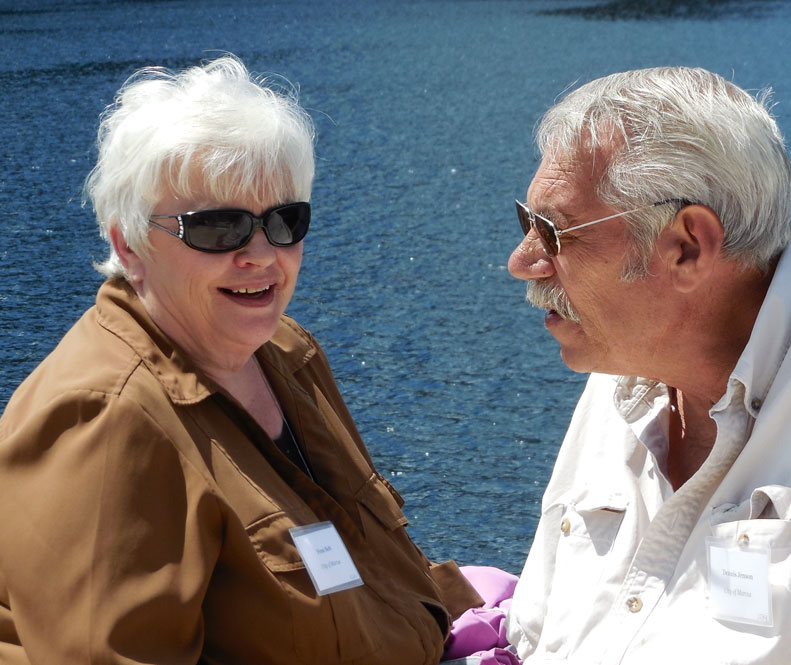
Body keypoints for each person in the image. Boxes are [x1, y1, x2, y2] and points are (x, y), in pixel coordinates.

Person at [0, 56, 481, 664]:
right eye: (217, 227)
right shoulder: (102, 419)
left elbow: (361, 570)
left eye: (284, 221)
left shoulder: (285, 352)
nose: (260, 254)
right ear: (130, 242)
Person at [504, 66, 791, 663]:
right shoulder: (622, 369)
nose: (522, 261)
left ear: (686, 247)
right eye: (525, 221)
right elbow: (530, 641)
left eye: (553, 232)